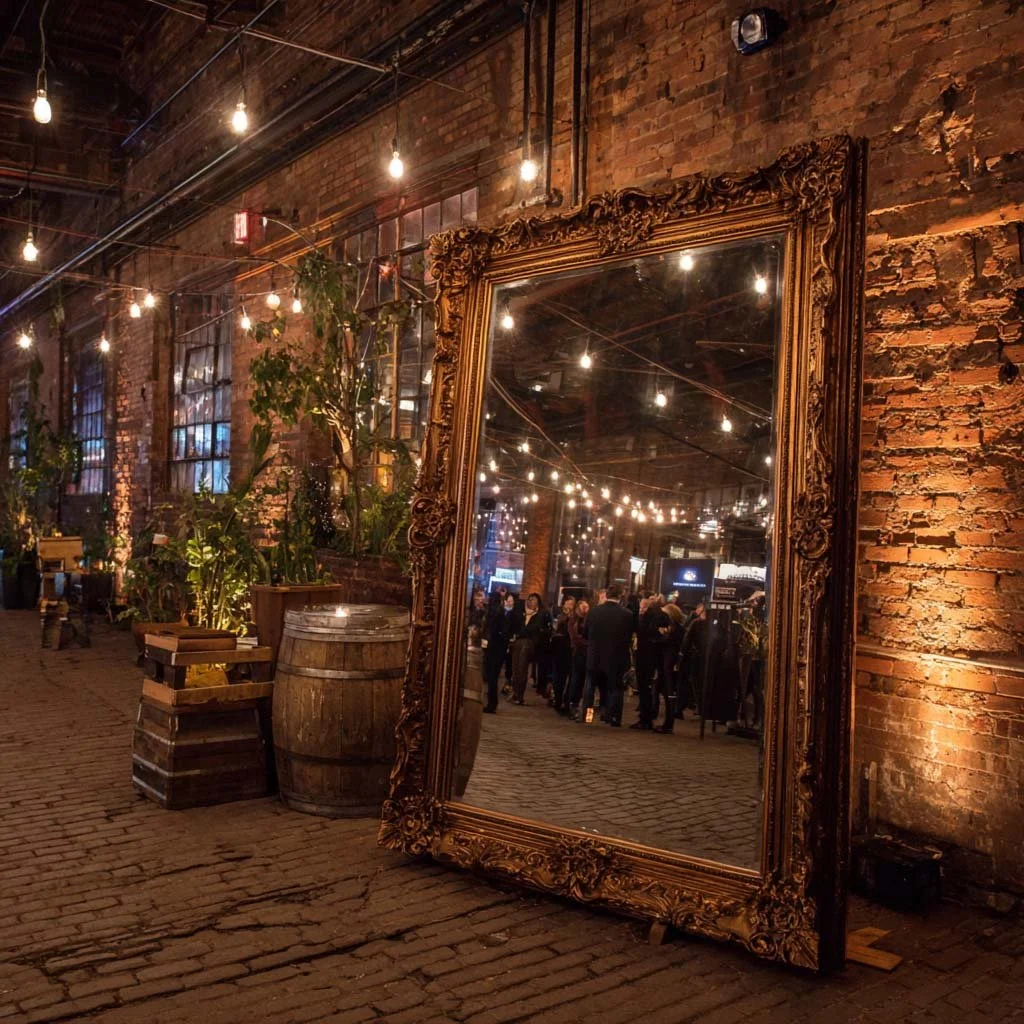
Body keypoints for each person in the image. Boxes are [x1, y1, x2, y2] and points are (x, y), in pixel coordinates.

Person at [584, 583, 634, 727]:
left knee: (590, 687)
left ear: (607, 595)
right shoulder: (627, 614)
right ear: (620, 596)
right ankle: (613, 717)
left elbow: (586, 633)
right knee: (615, 688)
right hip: (616, 657)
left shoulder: (594, 612)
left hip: (595, 655)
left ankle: (587, 716)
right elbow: (629, 637)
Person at [634, 593, 671, 729]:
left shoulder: (647, 618)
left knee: (644, 687)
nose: (641, 610)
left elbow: (642, 632)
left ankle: (645, 719)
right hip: (658, 657)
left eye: (642, 607)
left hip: (645, 656)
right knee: (653, 688)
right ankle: (650, 715)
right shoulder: (664, 616)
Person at [482, 591, 516, 713]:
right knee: (493, 676)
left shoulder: (494, 612)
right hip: (499, 648)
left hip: (494, 647)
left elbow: (494, 630)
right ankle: (492, 702)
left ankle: (492, 703)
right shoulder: (500, 612)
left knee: (492, 676)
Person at [509, 592, 546, 704]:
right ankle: (515, 693)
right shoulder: (522, 613)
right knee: (515, 668)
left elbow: (534, 629)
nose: (531, 602)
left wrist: (523, 632)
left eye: (534, 600)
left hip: (528, 643)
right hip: (518, 641)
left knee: (522, 668)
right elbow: (516, 626)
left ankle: (519, 695)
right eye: (530, 599)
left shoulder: (539, 615)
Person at [655, 601, 686, 733]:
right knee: (666, 693)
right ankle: (667, 723)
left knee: (669, 694)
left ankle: (668, 724)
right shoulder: (676, 628)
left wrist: (661, 635)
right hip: (669, 664)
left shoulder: (675, 629)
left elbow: (668, 642)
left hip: (670, 665)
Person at [550, 595, 575, 713]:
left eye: (572, 604)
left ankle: (566, 700)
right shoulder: (559, 616)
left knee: (569, 676)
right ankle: (558, 699)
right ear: (564, 604)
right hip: (559, 649)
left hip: (570, 650)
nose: (570, 606)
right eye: (568, 603)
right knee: (559, 676)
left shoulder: (575, 618)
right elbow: (555, 631)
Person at [567, 597, 590, 718]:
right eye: (583, 606)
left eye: (587, 607)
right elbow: (575, 637)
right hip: (578, 653)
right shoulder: (573, 620)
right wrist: (588, 643)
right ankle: (573, 705)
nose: (585, 609)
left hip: (589, 654)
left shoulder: (589, 619)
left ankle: (586, 710)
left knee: (587, 681)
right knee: (576, 679)